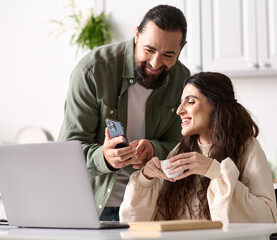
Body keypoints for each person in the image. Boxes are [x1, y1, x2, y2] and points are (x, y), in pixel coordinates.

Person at [58, 5, 190, 221]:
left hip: (151, 208)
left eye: (168, 54)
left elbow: (178, 146)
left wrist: (154, 150)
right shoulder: (93, 71)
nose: (156, 63)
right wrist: (105, 158)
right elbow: (68, 151)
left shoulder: (182, 80)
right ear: (137, 34)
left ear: (181, 48)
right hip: (94, 209)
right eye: (149, 50)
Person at [120, 72, 277, 223]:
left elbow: (267, 218)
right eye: (181, 102)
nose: (179, 111)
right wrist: (146, 178)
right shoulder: (180, 150)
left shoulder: (247, 148)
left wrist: (214, 171)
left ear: (216, 105)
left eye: (190, 101)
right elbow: (137, 222)